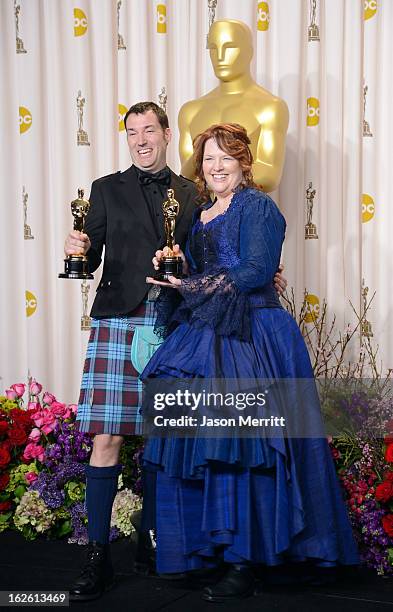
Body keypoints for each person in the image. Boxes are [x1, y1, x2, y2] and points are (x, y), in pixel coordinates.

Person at [63, 101, 290, 600]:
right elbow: (90, 254)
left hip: (183, 322)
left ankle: (160, 542)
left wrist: (260, 271)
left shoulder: (194, 193)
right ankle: (96, 558)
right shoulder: (103, 190)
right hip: (121, 319)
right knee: (108, 438)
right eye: (132, 132)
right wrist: (77, 249)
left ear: (167, 134)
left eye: (150, 130)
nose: (141, 139)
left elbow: (217, 252)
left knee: (172, 443)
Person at [142, 123, 359, 603]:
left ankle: (245, 560)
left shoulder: (259, 207)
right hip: (205, 336)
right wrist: (173, 272)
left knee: (244, 447)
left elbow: (257, 270)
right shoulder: (197, 214)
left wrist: (191, 287)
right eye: (209, 158)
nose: (216, 166)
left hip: (253, 335)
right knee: (203, 445)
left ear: (243, 163)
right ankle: (206, 551)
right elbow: (201, 275)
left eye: (226, 158)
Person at [178, 19, 289, 191]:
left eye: (229, 47)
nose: (220, 56)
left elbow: (269, 176)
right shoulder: (190, 111)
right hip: (200, 214)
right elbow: (185, 178)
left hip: (247, 213)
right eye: (213, 48)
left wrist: (214, 173)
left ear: (249, 52)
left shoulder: (270, 108)